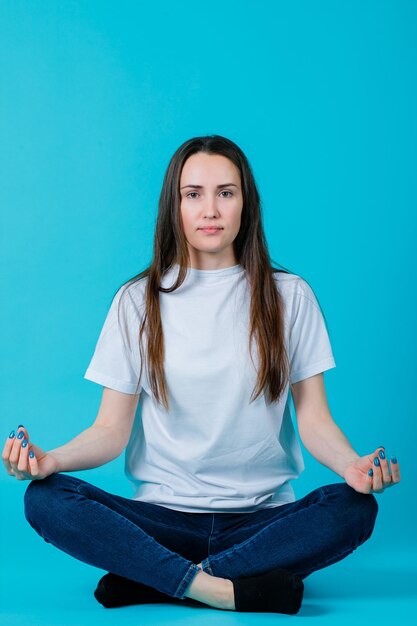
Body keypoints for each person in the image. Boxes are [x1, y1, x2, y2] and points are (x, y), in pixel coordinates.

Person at [2, 134, 401, 615]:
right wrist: (51, 462)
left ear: (244, 204)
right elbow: (110, 430)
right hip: (162, 518)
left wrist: (350, 466)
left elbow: (314, 418)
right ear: (175, 206)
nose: (210, 209)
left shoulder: (290, 297)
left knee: (354, 508)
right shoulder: (137, 302)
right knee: (46, 499)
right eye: (193, 194)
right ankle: (222, 589)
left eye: (225, 193)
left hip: (263, 520)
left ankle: (155, 578)